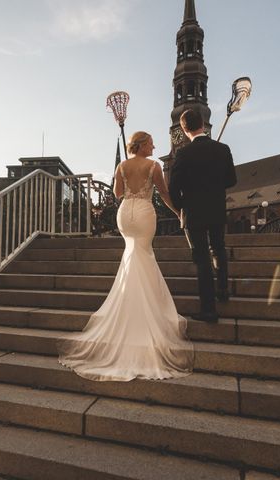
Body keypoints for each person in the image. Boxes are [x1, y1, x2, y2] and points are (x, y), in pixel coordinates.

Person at [58, 131, 194, 381]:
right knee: (144, 255)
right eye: (151, 143)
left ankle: (132, 300)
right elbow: (163, 194)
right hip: (143, 212)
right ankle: (146, 309)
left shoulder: (122, 165)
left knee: (133, 254)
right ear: (142, 146)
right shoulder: (153, 166)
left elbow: (118, 193)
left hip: (125, 214)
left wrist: (129, 178)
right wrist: (178, 212)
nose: (155, 146)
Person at [169, 109, 237, 323]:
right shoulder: (223, 149)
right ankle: (223, 290)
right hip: (216, 208)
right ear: (202, 124)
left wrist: (183, 207)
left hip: (193, 212)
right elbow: (231, 180)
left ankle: (208, 309)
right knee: (218, 248)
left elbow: (173, 187)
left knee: (202, 259)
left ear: (184, 128)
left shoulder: (183, 154)